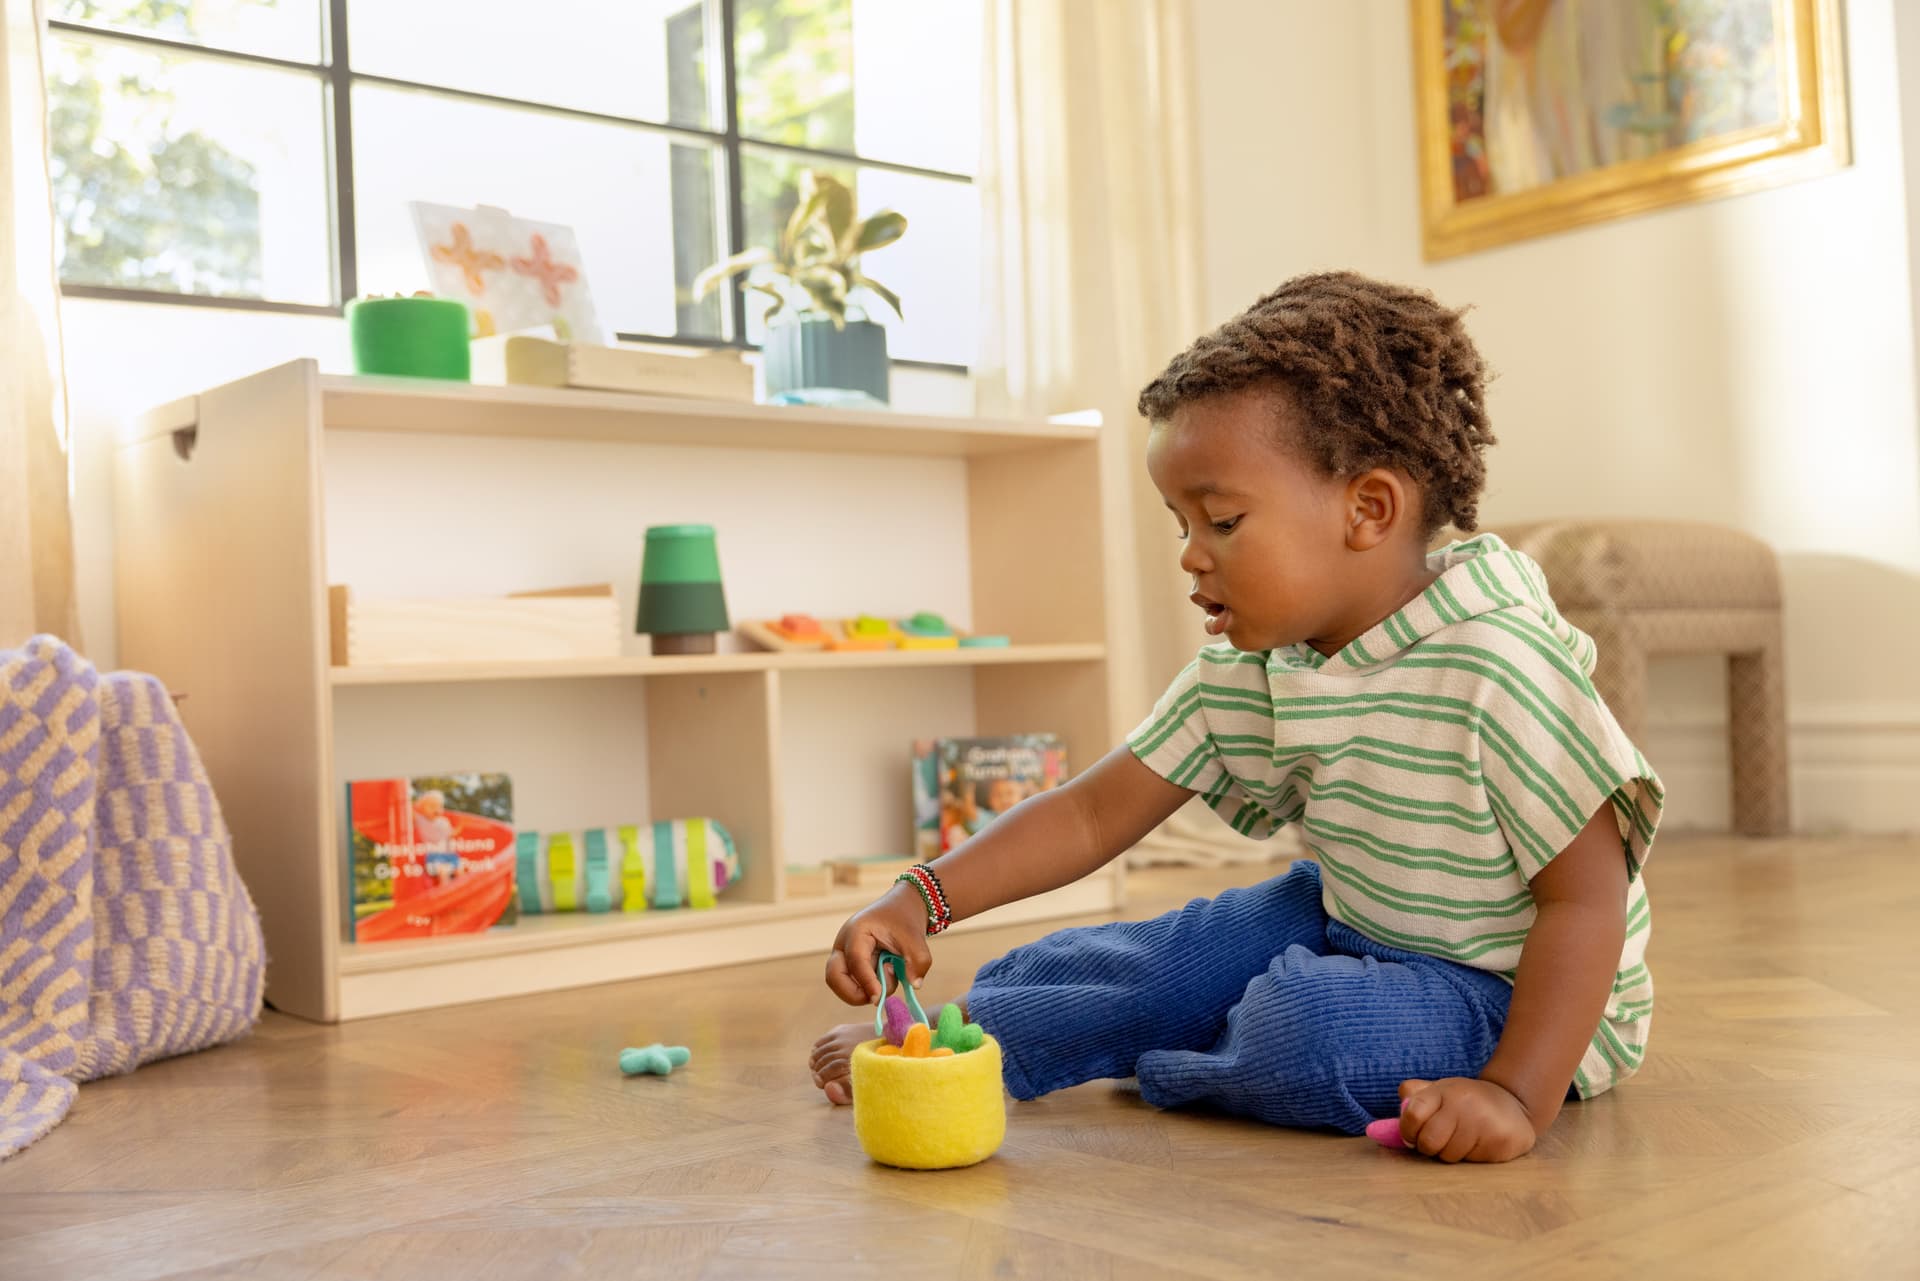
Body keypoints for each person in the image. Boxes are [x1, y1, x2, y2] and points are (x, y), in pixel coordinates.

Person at [809, 271, 1662, 1164]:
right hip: (1349, 915)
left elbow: (1587, 902)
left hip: (1510, 994)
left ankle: (1145, 1047)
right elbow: (1094, 812)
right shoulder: (1255, 662)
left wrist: (1515, 1092)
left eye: (1220, 520)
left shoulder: (1502, 663)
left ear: (1367, 509)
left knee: (1304, 1026)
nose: (1189, 553)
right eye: (1181, 521)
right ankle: (980, 1031)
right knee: (1161, 964)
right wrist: (921, 899)